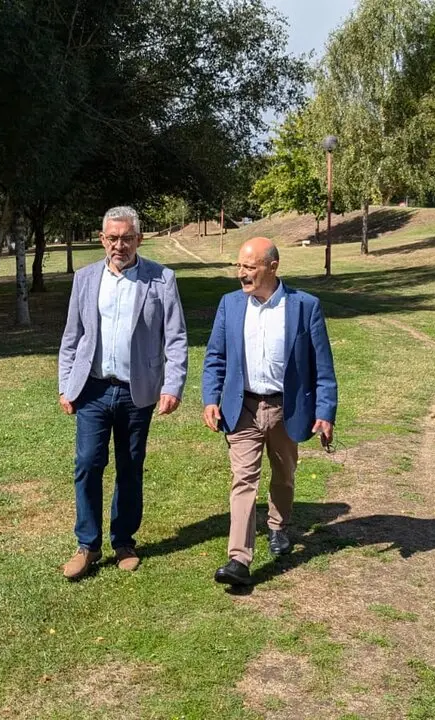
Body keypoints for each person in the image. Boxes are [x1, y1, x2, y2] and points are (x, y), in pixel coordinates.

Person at [57, 206, 188, 580]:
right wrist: (66, 385)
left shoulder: (161, 280)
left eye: (127, 238)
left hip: (138, 392)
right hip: (93, 389)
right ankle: (87, 545)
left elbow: (176, 339)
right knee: (87, 465)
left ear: (139, 240)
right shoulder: (84, 279)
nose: (120, 245)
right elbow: (72, 338)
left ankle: (124, 541)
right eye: (112, 238)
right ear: (102, 240)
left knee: (130, 467)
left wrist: (172, 385)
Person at [201, 237, 337, 587]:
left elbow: (322, 366)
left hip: (286, 407)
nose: (241, 274)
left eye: (249, 267)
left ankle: (278, 525)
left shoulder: (304, 306)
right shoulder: (230, 305)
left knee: (284, 473)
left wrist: (325, 412)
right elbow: (215, 357)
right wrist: (210, 398)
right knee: (243, 479)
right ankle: (239, 559)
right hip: (242, 406)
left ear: (272, 267)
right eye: (239, 266)